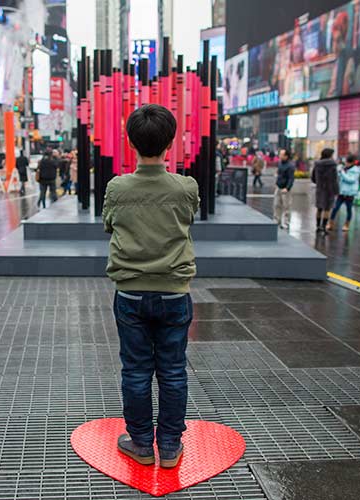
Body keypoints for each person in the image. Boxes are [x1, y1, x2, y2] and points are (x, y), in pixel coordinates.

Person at [102, 104, 199, 469]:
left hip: (130, 293)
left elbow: (109, 225)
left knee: (136, 370)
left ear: (130, 142)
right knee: (173, 370)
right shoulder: (185, 186)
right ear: (170, 143)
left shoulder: (118, 187)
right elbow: (189, 219)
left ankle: (141, 443)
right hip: (175, 292)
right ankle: (171, 447)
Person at [327, 154, 360, 232]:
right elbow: (340, 178)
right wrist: (338, 172)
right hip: (341, 192)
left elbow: (350, 180)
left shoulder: (355, 170)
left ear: (352, 163)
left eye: (347, 162)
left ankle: (346, 225)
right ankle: (330, 224)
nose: (346, 163)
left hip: (350, 193)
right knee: (335, 208)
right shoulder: (344, 168)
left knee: (349, 209)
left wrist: (342, 173)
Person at [311, 148, 338, 234]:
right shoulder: (332, 165)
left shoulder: (317, 164)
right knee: (327, 209)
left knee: (319, 208)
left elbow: (313, 177)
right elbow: (335, 179)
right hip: (330, 189)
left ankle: (318, 226)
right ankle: (323, 227)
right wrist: (336, 191)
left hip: (320, 189)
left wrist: (318, 182)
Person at [273, 149, 295, 230]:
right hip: (279, 186)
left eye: (281, 154)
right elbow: (279, 173)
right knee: (276, 204)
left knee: (287, 206)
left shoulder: (290, 166)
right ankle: (276, 220)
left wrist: (287, 188)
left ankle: (286, 223)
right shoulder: (280, 163)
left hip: (285, 188)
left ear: (286, 156)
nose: (280, 155)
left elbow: (291, 178)